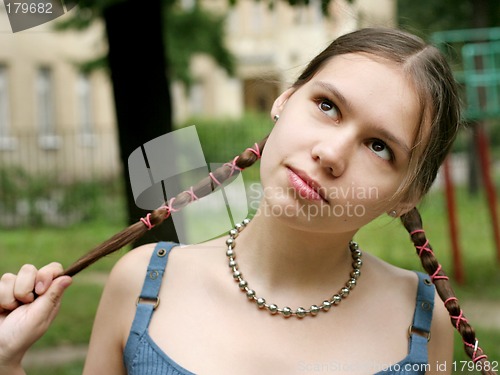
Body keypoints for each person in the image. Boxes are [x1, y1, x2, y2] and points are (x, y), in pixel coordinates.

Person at [0, 27, 497, 375]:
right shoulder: (144, 284)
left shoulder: (420, 320)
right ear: (284, 100)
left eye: (379, 146)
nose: (330, 153)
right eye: (327, 106)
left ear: (407, 193)